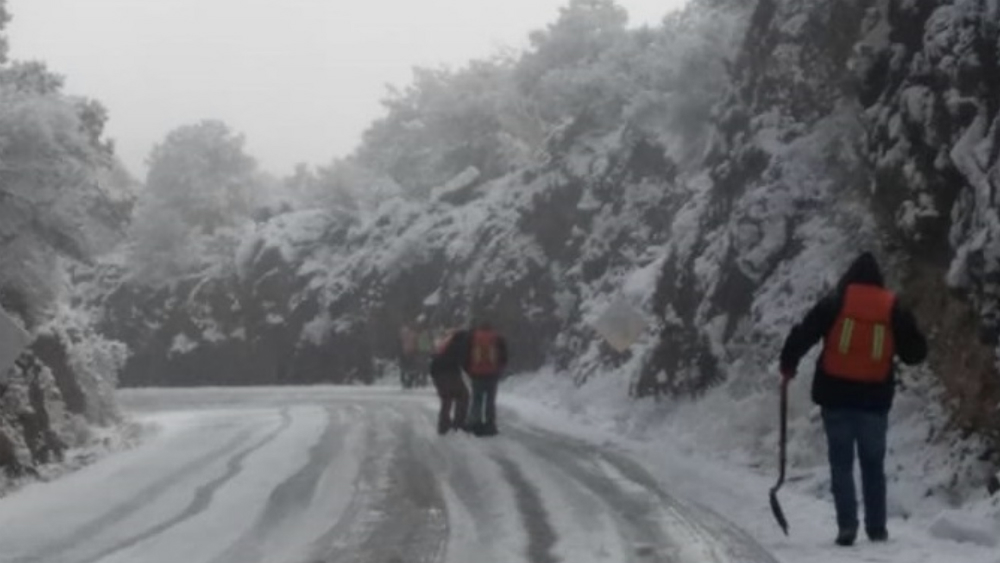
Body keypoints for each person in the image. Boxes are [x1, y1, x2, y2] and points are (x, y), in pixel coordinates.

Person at [780, 252, 927, 546]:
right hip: (874, 401)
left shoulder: (836, 300)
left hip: (835, 397)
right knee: (873, 465)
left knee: (841, 464)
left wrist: (788, 364)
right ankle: (877, 528)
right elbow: (915, 354)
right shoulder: (892, 306)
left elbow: (805, 332)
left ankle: (847, 526)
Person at [464, 321, 508, 437]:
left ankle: (475, 423)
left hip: (476, 373)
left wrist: (469, 371)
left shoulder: (472, 337)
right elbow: (503, 356)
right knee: (490, 400)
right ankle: (490, 425)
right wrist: (499, 370)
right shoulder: (497, 338)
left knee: (477, 399)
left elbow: (466, 355)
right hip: (492, 374)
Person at [428, 329, 470, 435]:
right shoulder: (460, 345)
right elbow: (463, 361)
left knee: (446, 398)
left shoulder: (449, 343)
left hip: (437, 372)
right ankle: (459, 423)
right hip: (449, 372)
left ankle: (443, 425)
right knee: (463, 395)